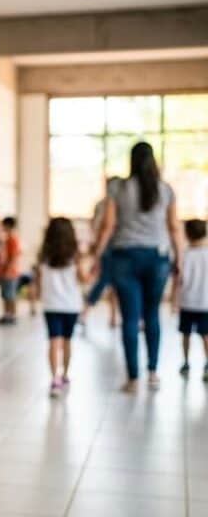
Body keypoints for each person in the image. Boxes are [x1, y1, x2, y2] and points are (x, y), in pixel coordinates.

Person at [92, 142, 182, 393]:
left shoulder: (117, 188)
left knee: (130, 318)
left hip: (124, 257)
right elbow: (174, 227)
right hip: (158, 257)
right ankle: (153, 373)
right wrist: (180, 259)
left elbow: (108, 226)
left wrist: (97, 255)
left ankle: (133, 378)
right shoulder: (165, 190)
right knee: (152, 315)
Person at [32, 218, 90, 397]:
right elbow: (83, 279)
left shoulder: (43, 256)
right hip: (71, 306)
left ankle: (54, 378)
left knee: (53, 341)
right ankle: (64, 375)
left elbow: (38, 282)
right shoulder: (75, 256)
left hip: (51, 305)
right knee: (66, 341)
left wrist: (36, 300)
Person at [82, 177, 121, 329]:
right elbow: (98, 227)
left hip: (115, 248)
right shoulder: (102, 205)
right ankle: (86, 312)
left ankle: (113, 316)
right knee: (105, 281)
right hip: (108, 249)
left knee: (113, 284)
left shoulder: (119, 204)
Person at [173, 219, 208, 381]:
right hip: (205, 303)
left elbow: (179, 279)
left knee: (185, 334)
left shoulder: (184, 256)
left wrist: (174, 301)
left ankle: (186, 363)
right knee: (205, 335)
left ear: (187, 234)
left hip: (187, 302)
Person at [0, 216, 21, 325]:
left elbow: (14, 257)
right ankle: (6, 315)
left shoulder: (13, 239)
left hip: (10, 273)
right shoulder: (7, 239)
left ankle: (13, 315)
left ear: (8, 225)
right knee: (5, 295)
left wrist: (7, 271)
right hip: (4, 272)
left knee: (11, 295)